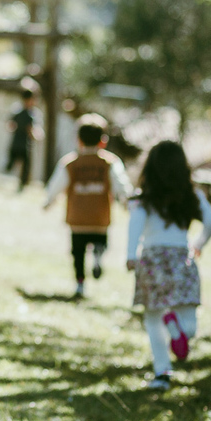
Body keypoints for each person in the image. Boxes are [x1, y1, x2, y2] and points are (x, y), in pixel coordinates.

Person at [125, 140, 211, 390]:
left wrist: (130, 254)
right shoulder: (192, 196)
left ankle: (162, 373)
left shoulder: (143, 200)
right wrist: (199, 243)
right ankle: (180, 331)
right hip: (181, 258)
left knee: (154, 319)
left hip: (152, 260)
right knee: (188, 315)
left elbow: (134, 226)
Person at [43, 113, 132, 298]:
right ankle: (99, 255)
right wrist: (126, 202)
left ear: (78, 140)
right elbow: (121, 185)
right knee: (101, 242)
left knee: (78, 253)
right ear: (103, 141)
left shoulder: (70, 163)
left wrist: (48, 202)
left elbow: (57, 184)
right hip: (100, 218)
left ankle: (80, 284)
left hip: (77, 218)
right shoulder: (110, 162)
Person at [5, 89, 41, 190]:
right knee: (12, 163)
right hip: (19, 142)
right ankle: (11, 181)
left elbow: (35, 130)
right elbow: (10, 125)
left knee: (25, 166)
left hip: (25, 144)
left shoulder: (33, 113)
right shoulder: (20, 111)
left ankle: (22, 184)